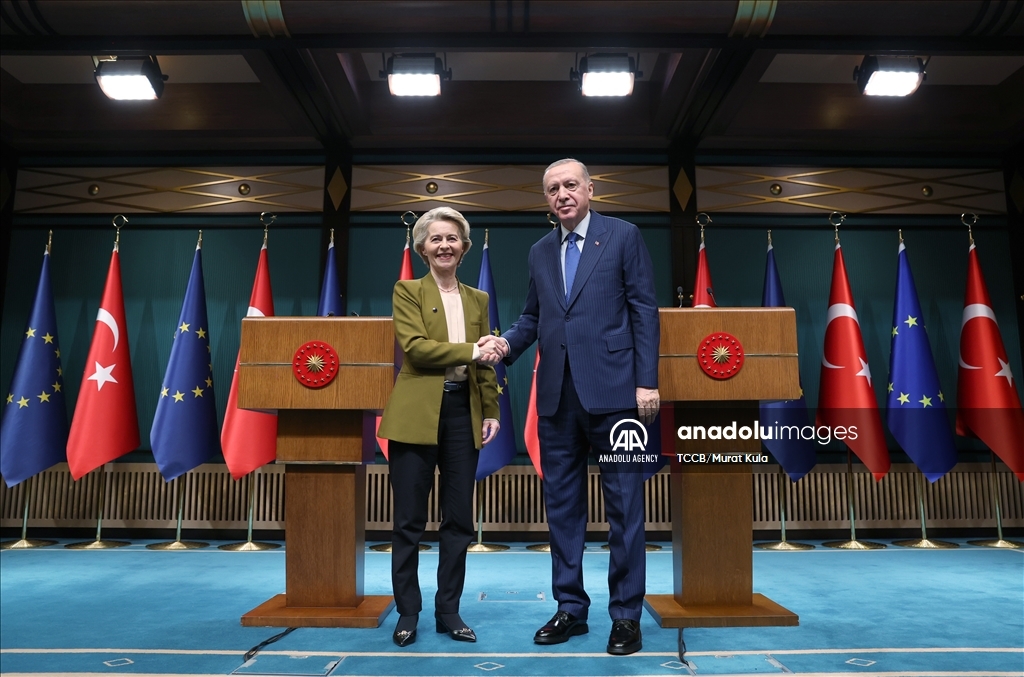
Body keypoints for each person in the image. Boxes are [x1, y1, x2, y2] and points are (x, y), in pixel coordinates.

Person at [478, 159, 660, 656]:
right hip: (557, 399)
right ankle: (570, 608)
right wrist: (505, 344)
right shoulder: (540, 250)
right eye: (553, 188)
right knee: (562, 509)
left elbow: (644, 310)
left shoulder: (622, 236)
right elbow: (532, 317)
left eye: (570, 185)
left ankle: (626, 616)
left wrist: (647, 382)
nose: (562, 194)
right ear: (546, 198)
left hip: (618, 396)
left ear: (590, 189)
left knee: (625, 507)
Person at [378, 207, 503, 647]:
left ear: (464, 248)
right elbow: (416, 349)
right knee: (408, 521)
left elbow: (485, 365)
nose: (445, 245)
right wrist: (474, 349)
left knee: (459, 521)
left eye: (452, 239)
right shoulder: (407, 290)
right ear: (423, 249)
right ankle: (408, 611)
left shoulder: (478, 299)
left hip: (462, 415)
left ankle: (449, 610)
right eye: (436, 239)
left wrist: (491, 410)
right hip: (415, 416)